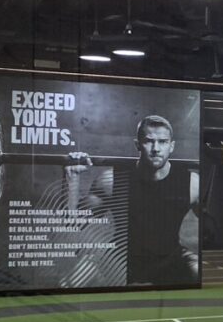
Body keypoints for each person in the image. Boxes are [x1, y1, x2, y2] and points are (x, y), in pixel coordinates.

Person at [65, 115, 200, 285]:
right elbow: (74, 223)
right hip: (122, 257)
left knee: (200, 271)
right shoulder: (112, 181)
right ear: (137, 144)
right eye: (149, 141)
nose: (156, 149)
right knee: (71, 283)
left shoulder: (191, 183)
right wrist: (72, 178)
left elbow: (213, 228)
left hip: (170, 258)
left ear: (171, 146)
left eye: (163, 142)